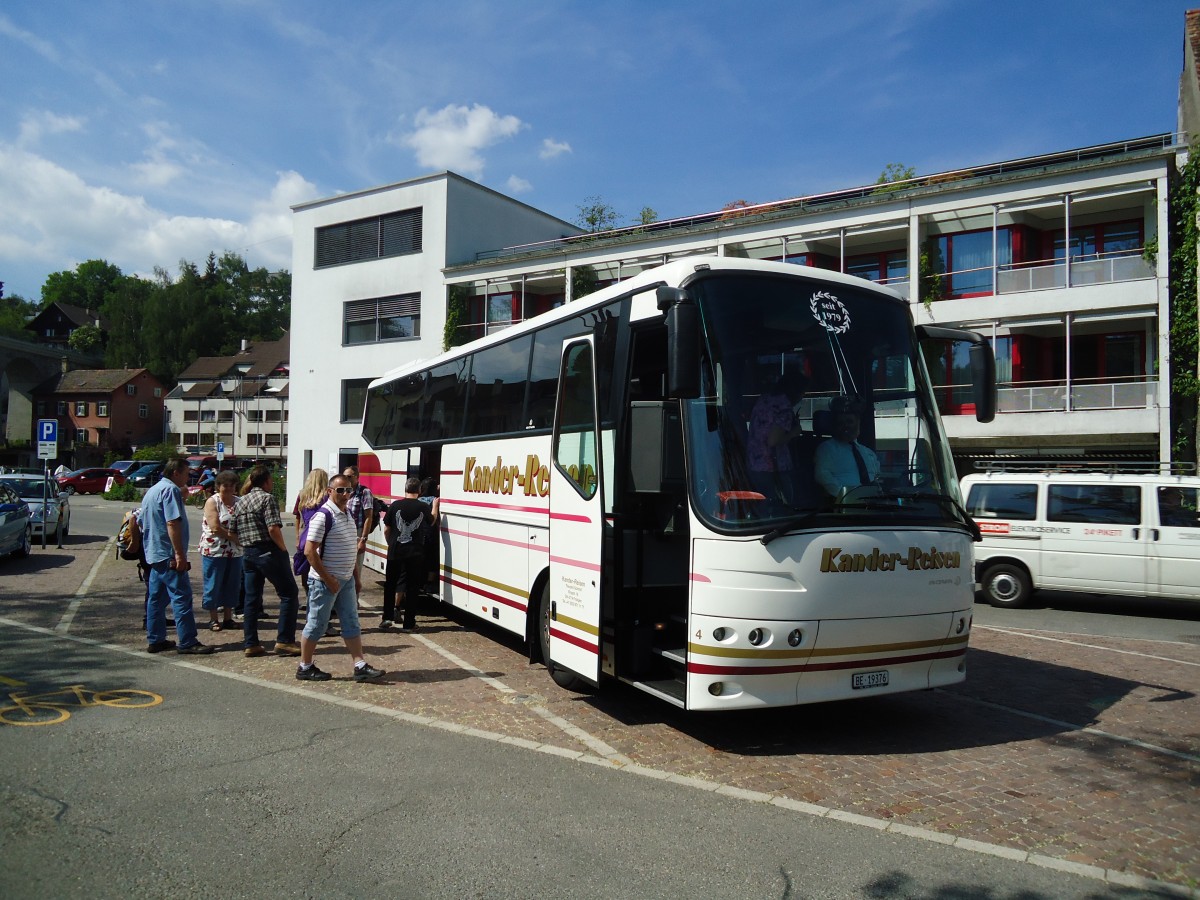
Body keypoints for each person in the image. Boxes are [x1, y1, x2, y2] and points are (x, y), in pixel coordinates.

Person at [296, 474, 385, 683]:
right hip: (324, 582)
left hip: (345, 580)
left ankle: (359, 664)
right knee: (316, 624)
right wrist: (328, 579)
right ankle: (305, 666)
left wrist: (355, 577)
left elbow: (349, 550)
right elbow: (310, 552)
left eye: (348, 491)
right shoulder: (323, 516)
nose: (345, 494)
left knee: (351, 622)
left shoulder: (347, 515)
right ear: (329, 491)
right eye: (340, 490)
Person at [141, 458, 212, 655]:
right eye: (186, 473)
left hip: (155, 553)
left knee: (156, 599)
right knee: (181, 597)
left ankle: (155, 639)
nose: (188, 476)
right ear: (176, 473)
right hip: (168, 554)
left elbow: (140, 520)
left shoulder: (152, 491)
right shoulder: (170, 490)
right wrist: (179, 554)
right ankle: (188, 641)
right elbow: (173, 523)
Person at [234, 464, 300, 659]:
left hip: (248, 553)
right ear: (266, 481)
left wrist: (247, 543)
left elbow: (232, 530)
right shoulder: (267, 499)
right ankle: (285, 640)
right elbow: (273, 528)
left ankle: (251, 643)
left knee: (251, 600)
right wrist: (282, 548)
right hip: (267, 551)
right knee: (289, 593)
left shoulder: (240, 502)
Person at [746, 371, 808, 505]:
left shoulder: (764, 400)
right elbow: (773, 441)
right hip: (773, 468)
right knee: (782, 505)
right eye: (803, 392)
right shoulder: (784, 408)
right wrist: (794, 432)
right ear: (796, 391)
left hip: (753, 462)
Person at [381, 477, 433, 632]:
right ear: (419, 491)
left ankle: (387, 619)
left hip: (395, 551)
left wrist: (391, 544)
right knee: (412, 588)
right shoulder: (423, 506)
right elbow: (432, 521)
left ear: (405, 489)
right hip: (415, 553)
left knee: (390, 585)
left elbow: (387, 529)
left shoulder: (395, 505)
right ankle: (409, 623)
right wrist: (435, 508)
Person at [814, 396, 880, 499]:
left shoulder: (868, 453)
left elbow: (877, 478)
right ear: (835, 425)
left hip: (871, 505)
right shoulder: (826, 449)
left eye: (850, 421)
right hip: (844, 507)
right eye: (841, 423)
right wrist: (848, 497)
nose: (846, 426)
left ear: (858, 423)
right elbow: (822, 476)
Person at [199, 470, 242, 630]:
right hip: (215, 550)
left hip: (235, 552)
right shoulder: (212, 502)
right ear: (218, 486)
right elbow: (215, 527)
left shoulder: (239, 501)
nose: (229, 489)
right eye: (225, 486)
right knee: (213, 583)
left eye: (232, 485)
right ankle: (213, 619)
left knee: (232, 584)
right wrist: (236, 538)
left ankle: (228, 618)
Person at [342, 465, 375, 593]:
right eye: (344, 476)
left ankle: (353, 601)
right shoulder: (343, 491)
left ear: (357, 477)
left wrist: (363, 540)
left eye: (349, 476)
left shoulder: (364, 492)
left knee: (355, 570)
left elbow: (368, 517)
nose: (346, 478)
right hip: (342, 533)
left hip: (357, 533)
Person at [417, 477, 441, 597]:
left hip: (419, 533)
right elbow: (434, 520)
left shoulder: (418, 500)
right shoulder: (434, 500)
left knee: (422, 558)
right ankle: (429, 583)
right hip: (431, 532)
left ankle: (419, 582)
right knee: (432, 558)